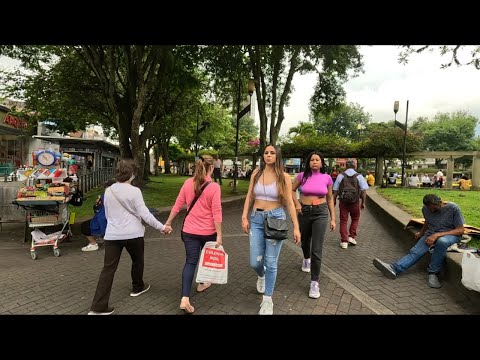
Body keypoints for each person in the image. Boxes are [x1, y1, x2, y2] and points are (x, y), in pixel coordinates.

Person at [88, 158, 170, 315]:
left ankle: (98, 306)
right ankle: (137, 287)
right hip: (133, 234)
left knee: (108, 270)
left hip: (112, 235)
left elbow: (107, 214)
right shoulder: (135, 191)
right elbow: (145, 214)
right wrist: (162, 227)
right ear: (132, 173)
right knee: (137, 261)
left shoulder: (108, 190)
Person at [241, 144, 301, 315]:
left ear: (277, 156)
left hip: (276, 219)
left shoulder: (284, 177)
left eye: (272, 153)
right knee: (255, 262)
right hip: (257, 218)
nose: (268, 155)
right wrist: (244, 216)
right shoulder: (256, 174)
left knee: (271, 261)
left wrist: (296, 227)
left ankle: (268, 300)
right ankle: (261, 275)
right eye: (266, 152)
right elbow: (250, 196)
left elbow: (289, 202)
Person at [162, 155, 221, 314]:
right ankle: (202, 282)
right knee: (205, 258)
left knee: (190, 262)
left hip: (189, 231)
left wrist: (168, 222)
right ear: (211, 168)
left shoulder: (188, 183)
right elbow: (217, 213)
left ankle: (185, 298)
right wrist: (220, 235)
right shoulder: (214, 186)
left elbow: (177, 205)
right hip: (208, 232)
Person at [373, 194, 465, 289]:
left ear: (440, 203)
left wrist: (437, 235)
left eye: (435, 209)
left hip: (450, 235)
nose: (432, 211)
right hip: (431, 233)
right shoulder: (425, 209)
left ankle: (433, 273)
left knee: (442, 242)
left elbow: (460, 230)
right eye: (430, 209)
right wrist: (421, 233)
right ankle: (394, 268)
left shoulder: (453, 208)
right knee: (415, 252)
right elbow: (427, 222)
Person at [291, 151, 335, 299]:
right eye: (312, 160)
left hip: (321, 213)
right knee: (305, 241)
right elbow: (291, 190)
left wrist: (333, 218)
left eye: (317, 160)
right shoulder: (302, 176)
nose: (314, 162)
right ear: (308, 163)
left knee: (317, 248)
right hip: (304, 211)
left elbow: (330, 199)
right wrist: (297, 204)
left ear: (322, 163)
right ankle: (305, 258)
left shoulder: (327, 178)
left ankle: (314, 282)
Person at [332, 159, 369, 249]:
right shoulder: (359, 176)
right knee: (355, 219)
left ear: (346, 166)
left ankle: (344, 241)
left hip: (343, 202)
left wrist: (334, 200)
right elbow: (363, 191)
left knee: (343, 220)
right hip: (355, 202)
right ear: (355, 166)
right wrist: (363, 202)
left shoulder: (341, 176)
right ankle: (351, 237)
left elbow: (335, 190)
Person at [80, 179, 116, 252]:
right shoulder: (120, 196)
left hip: (106, 223)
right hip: (116, 222)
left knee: (84, 226)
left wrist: (104, 232)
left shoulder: (104, 198)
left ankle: (93, 243)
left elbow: (101, 216)